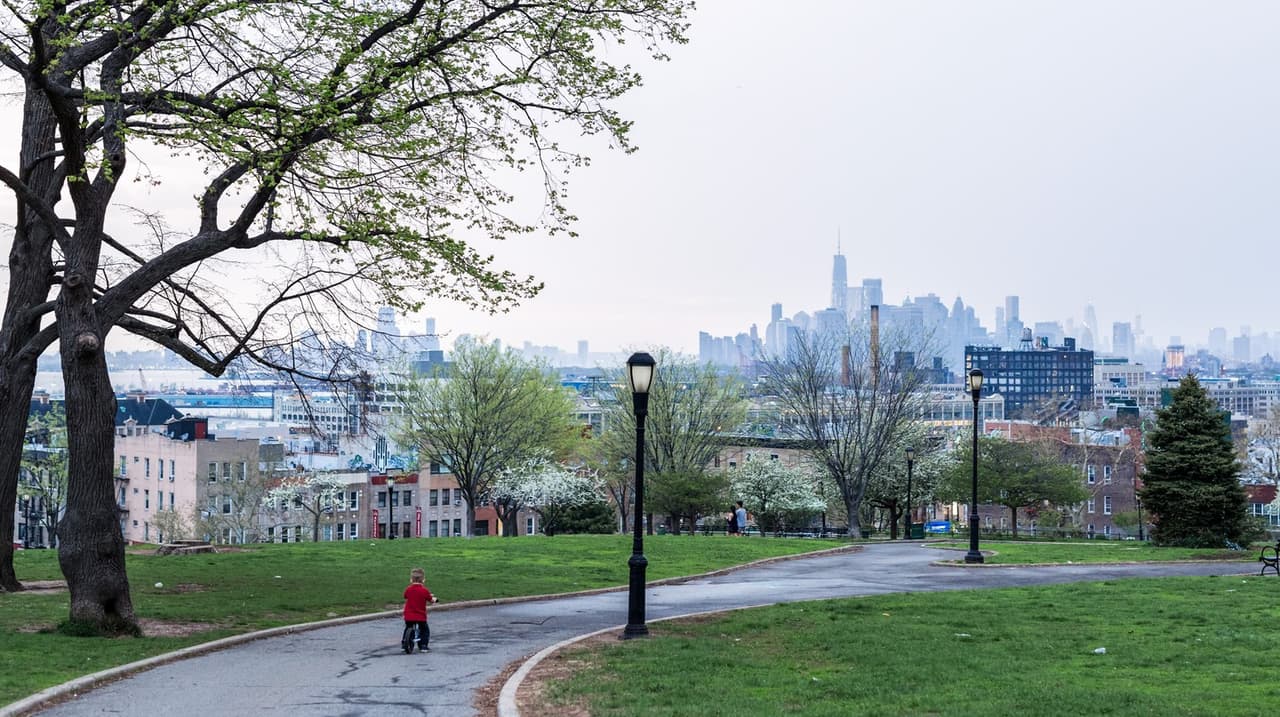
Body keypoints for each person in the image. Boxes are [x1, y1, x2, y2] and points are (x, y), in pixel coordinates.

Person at [402, 567, 438, 653]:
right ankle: (423, 645)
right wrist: (435, 599)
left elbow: (405, 596)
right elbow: (431, 599)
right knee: (424, 629)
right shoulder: (424, 591)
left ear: (411, 580)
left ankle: (404, 643)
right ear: (423, 580)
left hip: (409, 615)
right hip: (420, 615)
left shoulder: (409, 589)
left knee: (408, 627)